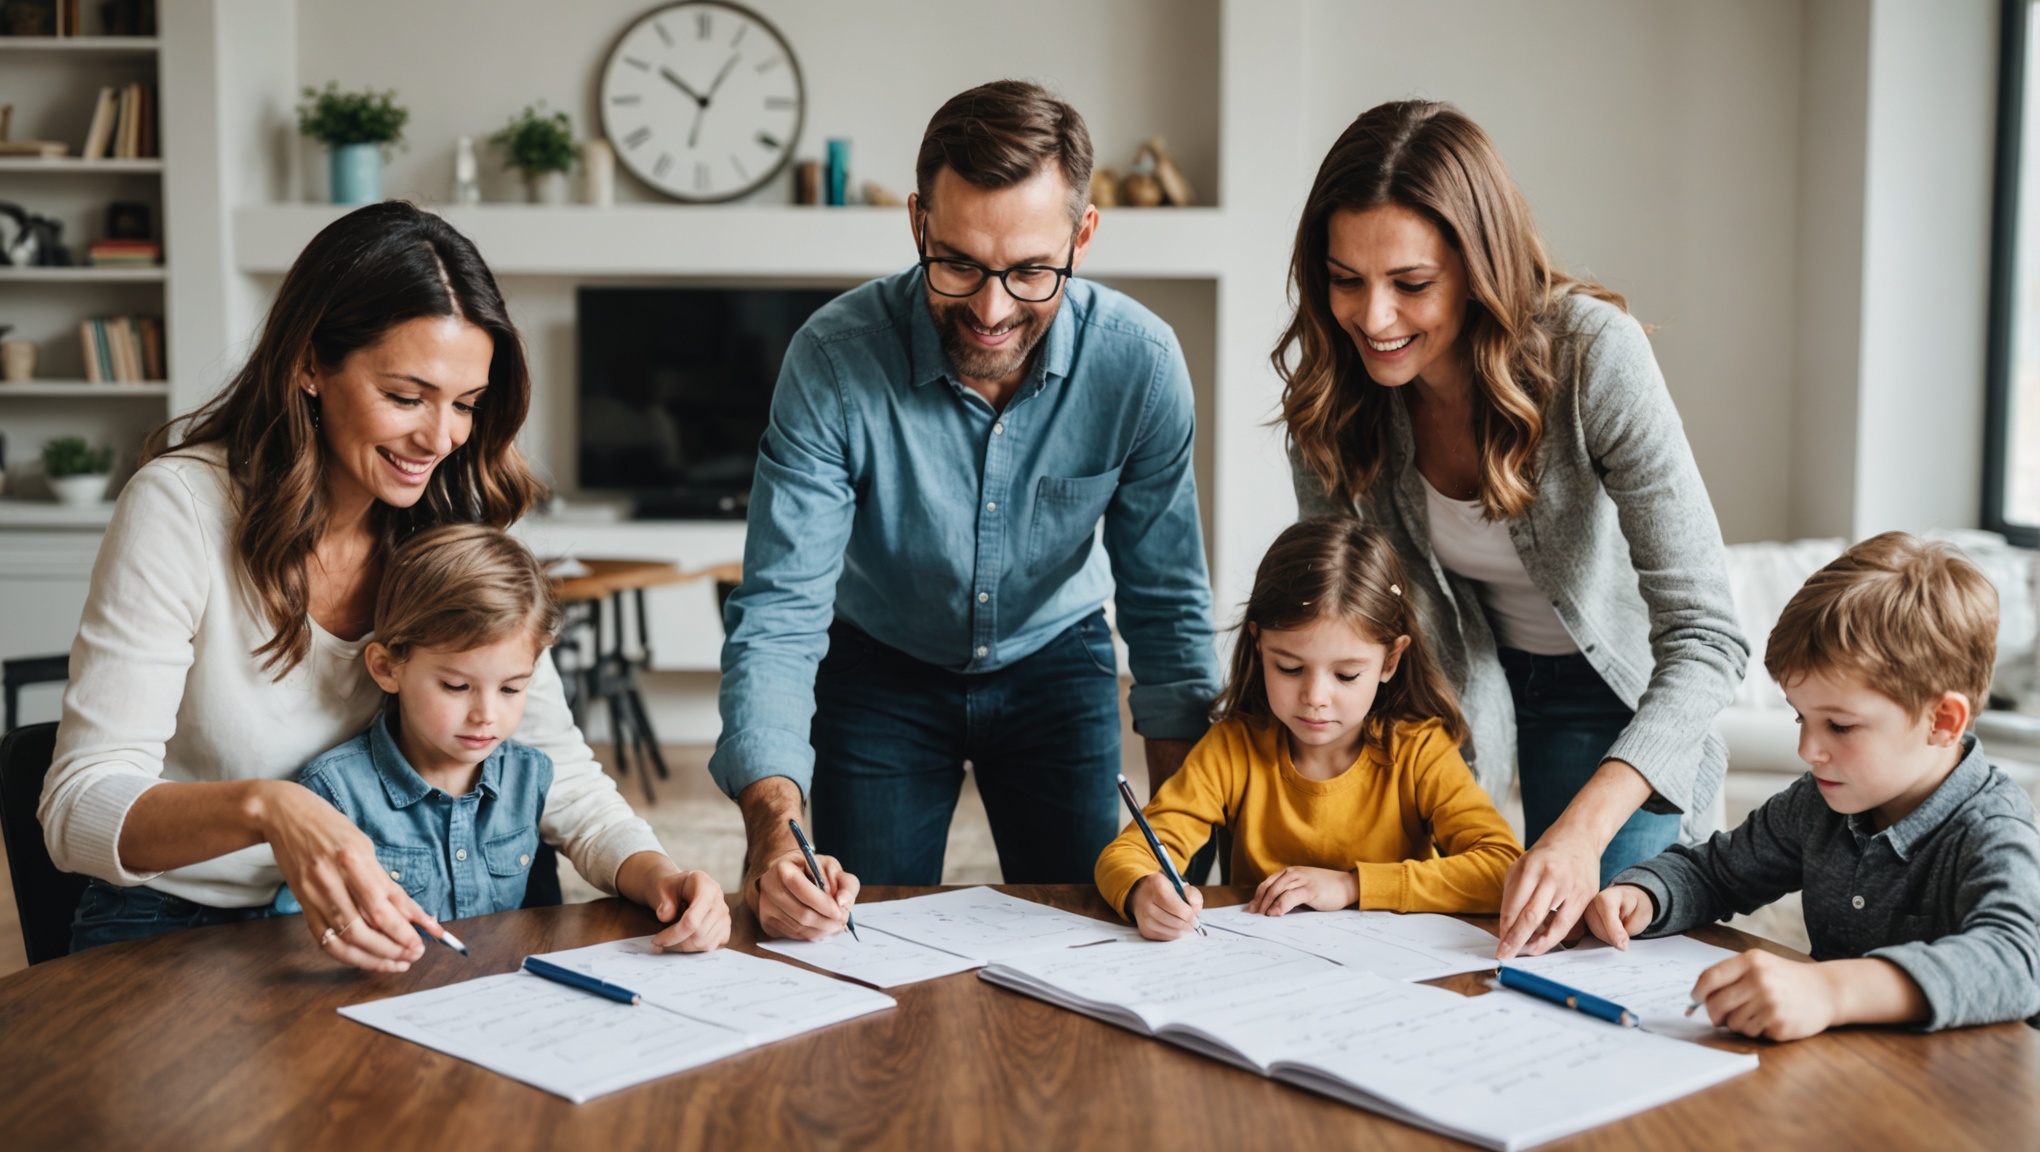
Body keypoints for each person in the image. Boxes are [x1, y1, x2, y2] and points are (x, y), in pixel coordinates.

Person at [44, 202, 702, 969]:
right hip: (186, 925)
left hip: (402, 925)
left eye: (465, 405)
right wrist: (270, 809)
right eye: (405, 396)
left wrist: (656, 870)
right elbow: (77, 810)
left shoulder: (462, 512)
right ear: (309, 365)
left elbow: (551, 764)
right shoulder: (182, 508)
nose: (440, 439)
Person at [715, 80, 1221, 939]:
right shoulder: (833, 361)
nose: (991, 310)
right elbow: (779, 612)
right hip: (878, 666)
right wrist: (771, 833)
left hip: (1058, 658)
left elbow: (1167, 606)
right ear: (918, 224)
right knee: (850, 932)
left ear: (1082, 235)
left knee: (1094, 931)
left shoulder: (1139, 364)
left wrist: (1182, 829)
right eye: (957, 264)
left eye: (1030, 270)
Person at [1276, 100, 1748, 959]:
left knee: (1604, 946)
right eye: (1347, 280)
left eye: (1411, 284)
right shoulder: (1332, 400)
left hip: (1619, 705)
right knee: (1402, 943)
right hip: (1447, 699)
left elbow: (1709, 639)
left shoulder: (1591, 356)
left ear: (1478, 267)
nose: (1373, 319)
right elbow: (1346, 624)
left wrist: (1575, 837)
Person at [1584, 533, 2040, 1040]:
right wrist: (1645, 894)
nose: (1808, 749)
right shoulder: (1817, 803)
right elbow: (1717, 872)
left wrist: (1830, 989)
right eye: (1801, 717)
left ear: (1943, 720)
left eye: (1839, 726)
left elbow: (2016, 962)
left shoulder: (1994, 829)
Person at [269, 524, 728, 951]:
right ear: (387, 668)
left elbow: (595, 826)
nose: (486, 715)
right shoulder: (333, 793)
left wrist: (664, 880)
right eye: (456, 686)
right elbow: (299, 935)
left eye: (511, 688)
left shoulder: (531, 776)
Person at [1096, 518, 1522, 941]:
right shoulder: (1233, 749)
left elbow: (1502, 868)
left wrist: (1352, 885)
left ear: (1390, 661)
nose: (1315, 696)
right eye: (1290, 667)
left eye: (1347, 675)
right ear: (1259, 644)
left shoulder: (1419, 750)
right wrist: (1141, 892)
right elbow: (1126, 855)